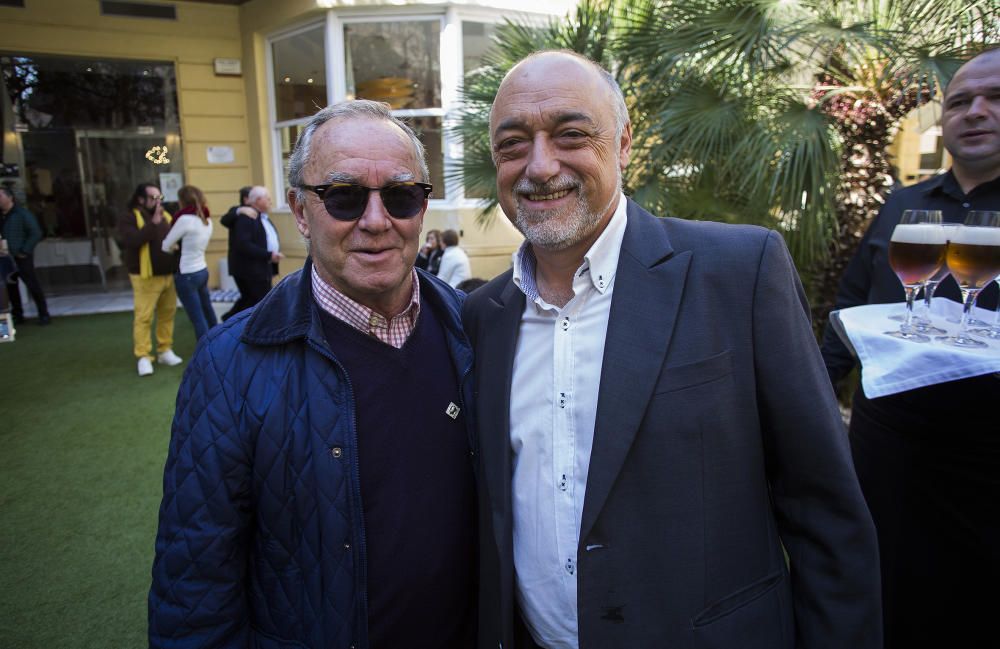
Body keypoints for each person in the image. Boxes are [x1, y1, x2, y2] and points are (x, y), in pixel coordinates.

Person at [463, 51, 881, 649]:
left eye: (571, 134)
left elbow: (825, 511)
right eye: (512, 144)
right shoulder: (481, 317)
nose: (540, 164)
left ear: (625, 143)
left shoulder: (738, 273)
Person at [149, 100, 476, 649]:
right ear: (301, 212)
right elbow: (195, 586)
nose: (376, 221)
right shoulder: (229, 364)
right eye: (344, 197)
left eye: (399, 195)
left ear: (422, 207)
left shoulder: (475, 326)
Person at [820, 47, 1000, 649]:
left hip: (985, 462)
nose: (975, 112)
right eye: (959, 102)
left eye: (994, 99)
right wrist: (814, 396)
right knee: (882, 591)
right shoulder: (904, 203)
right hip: (886, 447)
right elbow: (854, 303)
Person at [119, 183, 182, 377]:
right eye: (153, 198)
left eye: (159, 197)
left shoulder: (166, 216)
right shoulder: (129, 217)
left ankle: (164, 350)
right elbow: (132, 241)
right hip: (144, 276)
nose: (158, 201)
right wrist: (153, 223)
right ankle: (143, 356)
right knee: (144, 317)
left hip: (167, 273)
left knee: (168, 313)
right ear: (141, 200)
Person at [161, 184, 218, 340]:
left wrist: (175, 246)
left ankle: (205, 352)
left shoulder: (184, 219)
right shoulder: (207, 219)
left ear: (182, 201)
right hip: (202, 270)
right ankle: (219, 343)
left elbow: (166, 245)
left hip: (187, 273)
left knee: (197, 317)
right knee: (208, 312)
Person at [221, 185, 283, 320]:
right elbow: (243, 244)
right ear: (253, 200)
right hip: (250, 269)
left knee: (251, 300)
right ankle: (230, 322)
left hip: (261, 267)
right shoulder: (245, 215)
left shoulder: (261, 216)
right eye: (267, 198)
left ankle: (230, 321)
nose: (270, 201)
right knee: (257, 302)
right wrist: (268, 255)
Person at [0, 187, 50, 325]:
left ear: (10, 198)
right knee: (10, 286)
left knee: (32, 284)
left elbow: (35, 232)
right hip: (4, 256)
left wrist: (25, 250)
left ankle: (43, 313)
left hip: (21, 256)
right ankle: (18, 314)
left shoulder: (21, 214)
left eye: (0, 196)